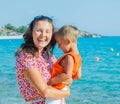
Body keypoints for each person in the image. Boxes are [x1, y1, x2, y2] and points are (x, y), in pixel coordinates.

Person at [15, 15, 71, 104]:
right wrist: (66, 93)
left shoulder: (48, 54)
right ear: (31, 33)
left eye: (47, 31)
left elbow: (64, 80)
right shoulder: (26, 56)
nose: (43, 35)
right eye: (38, 31)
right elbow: (45, 92)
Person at [45, 25, 82, 104]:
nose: (58, 47)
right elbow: (78, 76)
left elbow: (67, 75)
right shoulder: (78, 58)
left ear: (68, 41)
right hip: (64, 88)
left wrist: (51, 82)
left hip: (56, 88)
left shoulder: (69, 57)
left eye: (59, 43)